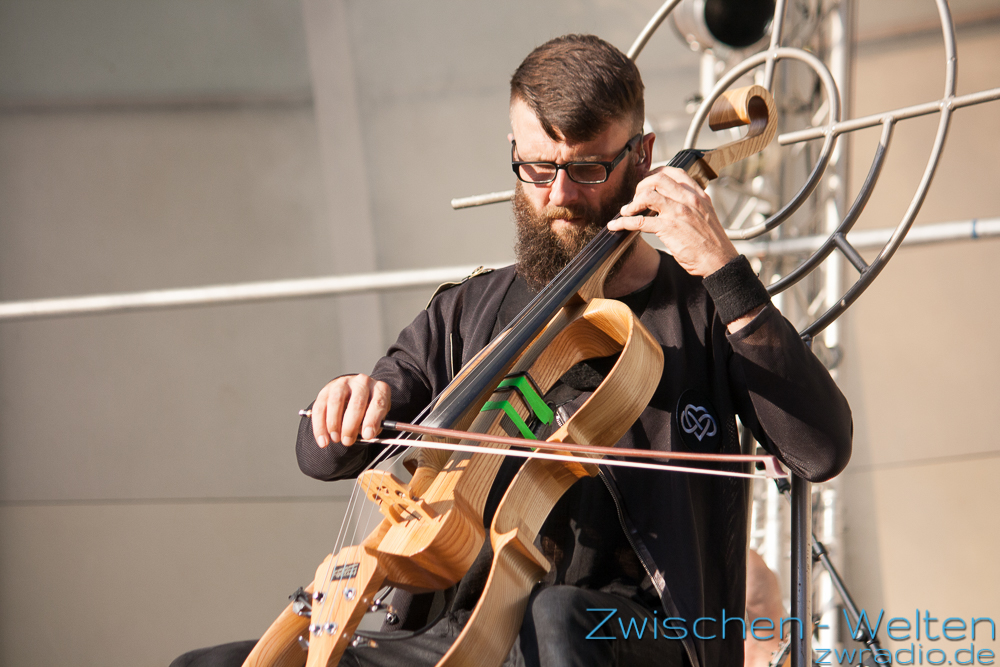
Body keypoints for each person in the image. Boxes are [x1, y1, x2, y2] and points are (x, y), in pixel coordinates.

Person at [172, 33, 850, 667]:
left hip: (637, 636)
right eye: (536, 167)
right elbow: (324, 456)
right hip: (459, 636)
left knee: (555, 619)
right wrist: (344, 405)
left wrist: (726, 272)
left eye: (587, 169)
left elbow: (821, 447)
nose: (559, 196)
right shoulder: (468, 310)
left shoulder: (705, 310)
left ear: (643, 158)